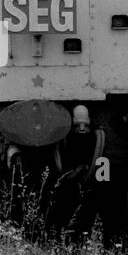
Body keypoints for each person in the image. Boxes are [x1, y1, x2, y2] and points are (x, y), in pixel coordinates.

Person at [50, 105, 106, 245]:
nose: (82, 129)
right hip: (78, 175)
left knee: (98, 189)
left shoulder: (95, 139)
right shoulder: (96, 138)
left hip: (79, 175)